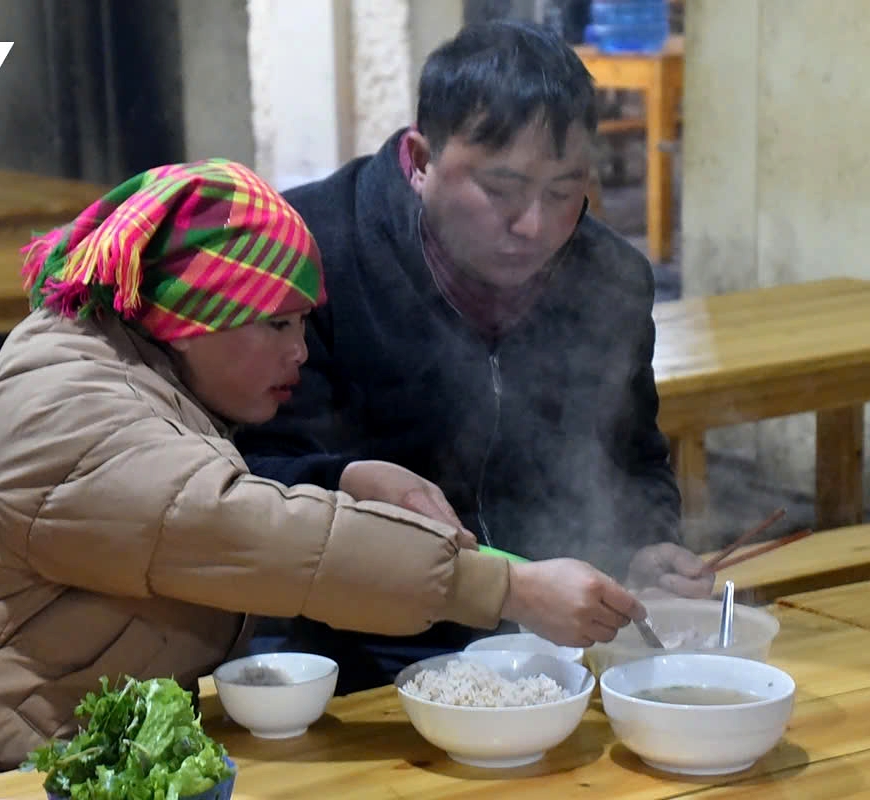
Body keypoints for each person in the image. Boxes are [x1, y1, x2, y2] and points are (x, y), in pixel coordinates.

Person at [0, 159, 649, 799]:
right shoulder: (65, 403)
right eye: (274, 324)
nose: (300, 352)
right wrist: (507, 585)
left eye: (305, 322)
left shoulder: (124, 373)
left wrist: (346, 474)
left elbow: (196, 511)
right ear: (189, 318)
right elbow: (241, 530)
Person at [236, 20, 713, 693]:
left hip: (552, 657)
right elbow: (245, 478)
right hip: (345, 657)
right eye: (502, 189)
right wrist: (347, 478)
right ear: (421, 158)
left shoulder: (611, 278)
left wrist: (644, 548)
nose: (534, 227)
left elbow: (632, 456)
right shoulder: (310, 259)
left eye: (562, 191)